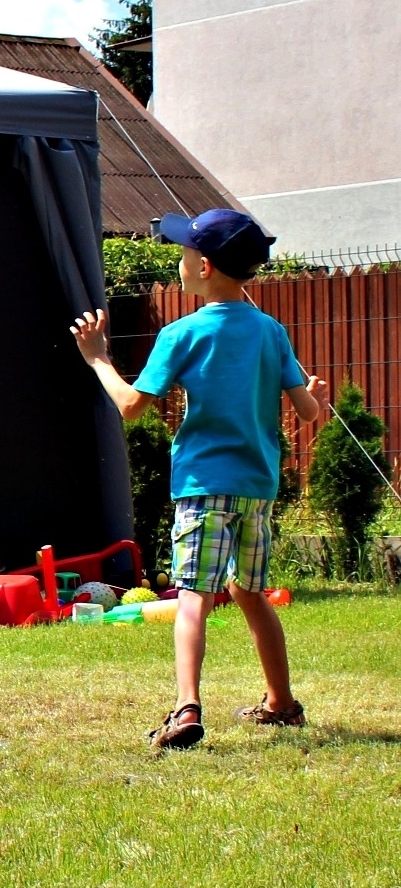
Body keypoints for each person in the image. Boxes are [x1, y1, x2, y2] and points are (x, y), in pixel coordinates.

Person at [71, 209, 327, 750]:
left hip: (201, 488)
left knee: (194, 597)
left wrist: (97, 359)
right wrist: (317, 397)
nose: (180, 261)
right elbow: (307, 410)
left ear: (204, 265)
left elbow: (132, 407)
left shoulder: (179, 334)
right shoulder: (271, 330)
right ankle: (281, 702)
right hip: (256, 489)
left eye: (184, 253)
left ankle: (187, 708)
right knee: (250, 590)